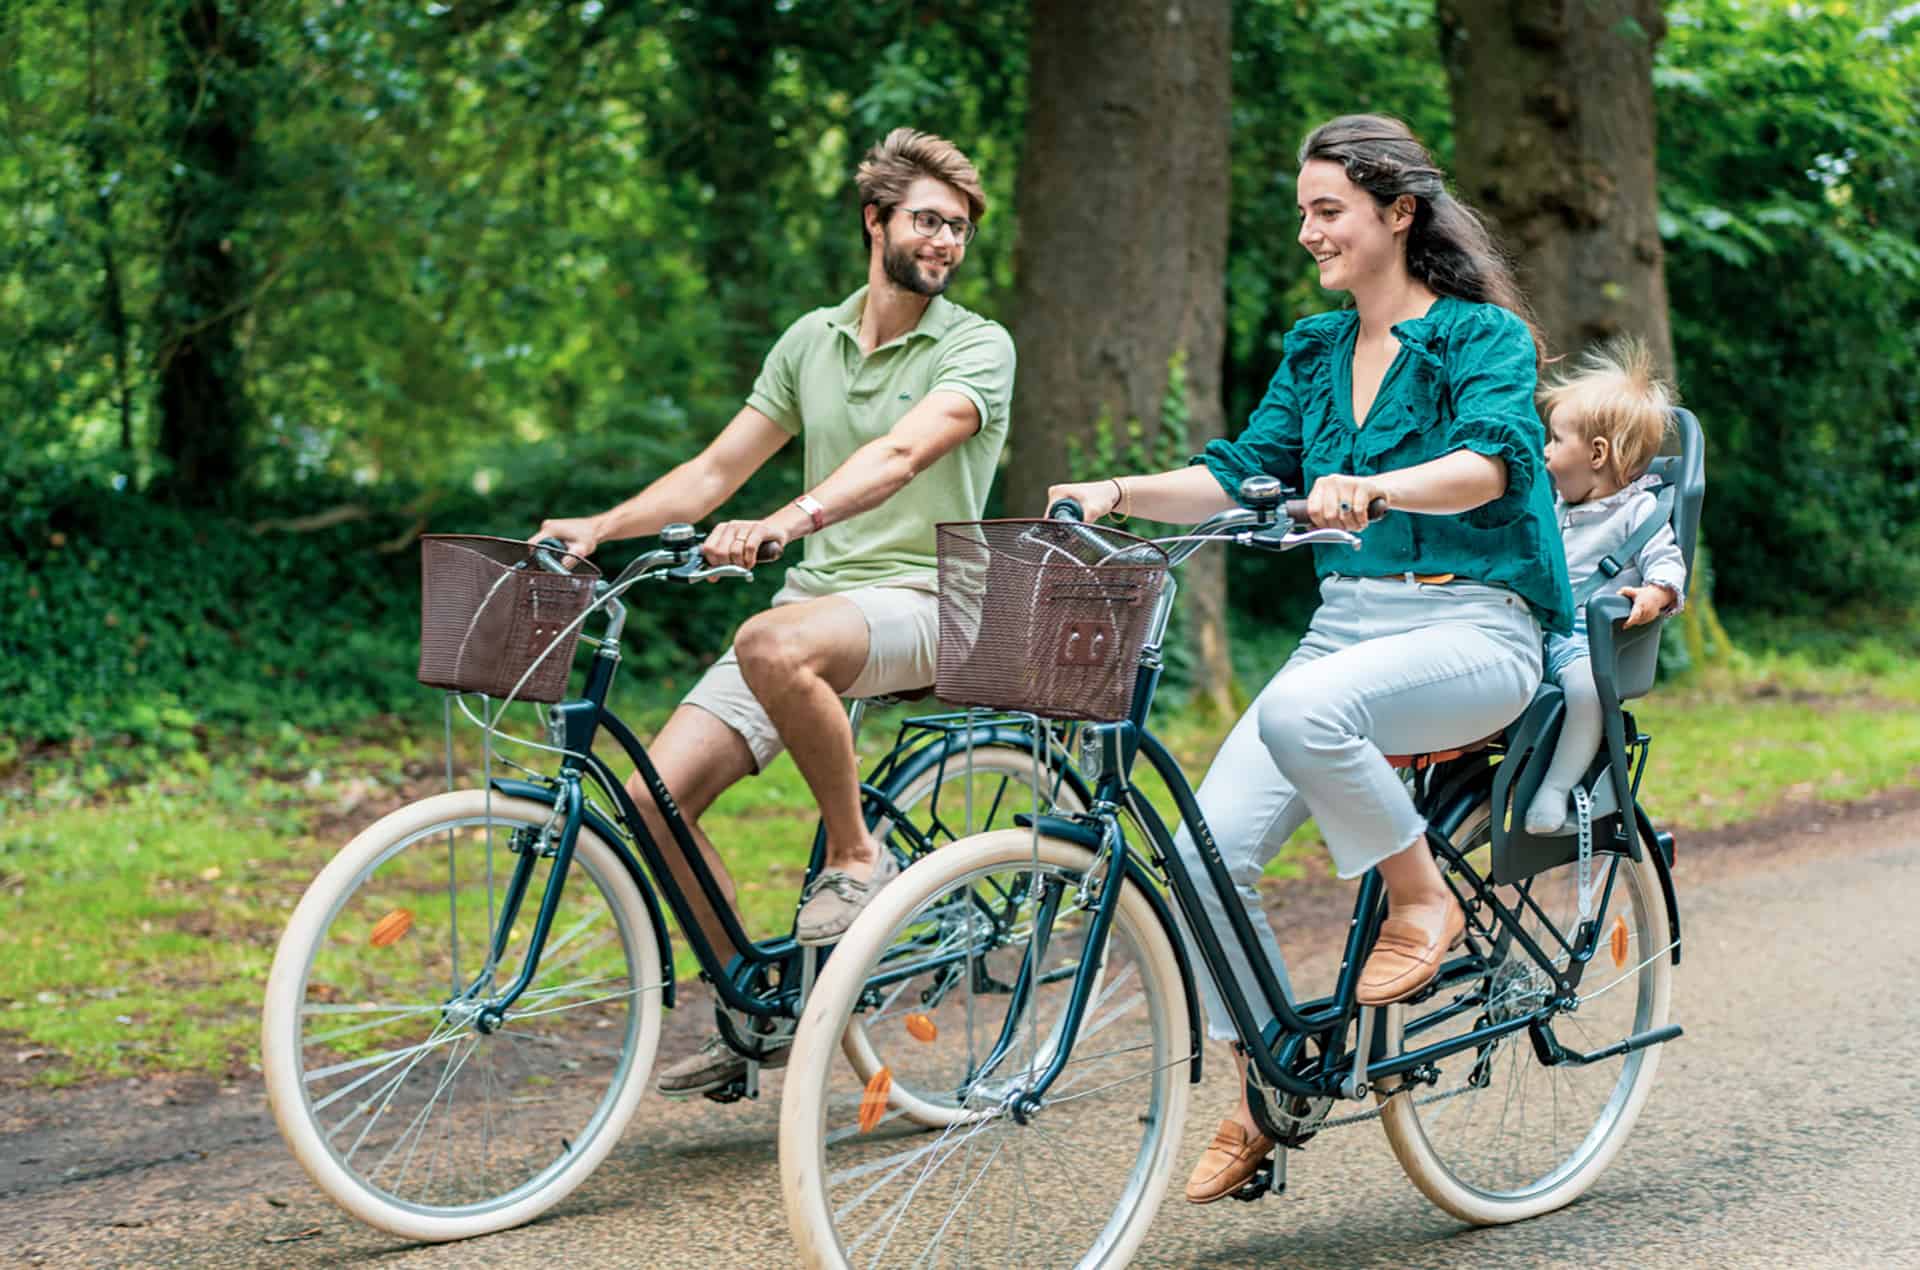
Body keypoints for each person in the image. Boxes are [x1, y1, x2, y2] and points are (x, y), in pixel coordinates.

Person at [1045, 114, 1572, 1203]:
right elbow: (1240, 472)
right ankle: (1267, 1082)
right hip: (1347, 631)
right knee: (1200, 858)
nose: (1308, 233)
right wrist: (1118, 493)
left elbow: (1490, 464)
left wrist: (1379, 486)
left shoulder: (1481, 338)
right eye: (1303, 213)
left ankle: (1423, 901)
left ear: (1399, 212)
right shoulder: (1316, 350)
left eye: (1328, 210)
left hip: (1475, 627)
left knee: (1303, 712)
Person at [534, 128, 1014, 1097]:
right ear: (875, 220)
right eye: (928, 220)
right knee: (650, 803)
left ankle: (856, 855)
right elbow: (717, 469)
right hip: (819, 602)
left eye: (959, 228)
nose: (945, 241)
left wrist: (789, 520)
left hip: (932, 598)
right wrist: (603, 527)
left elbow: (901, 456)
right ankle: (760, 1006)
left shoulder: (977, 345)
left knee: (770, 641)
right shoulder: (812, 340)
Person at [1523, 336, 1686, 834]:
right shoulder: (1560, 506)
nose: (1546, 453)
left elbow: (1667, 563)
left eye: (1555, 441)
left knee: (1586, 692)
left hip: (1583, 643)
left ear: (1596, 453)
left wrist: (1655, 594)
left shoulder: (1638, 511)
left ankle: (1555, 790)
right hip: (1536, 632)